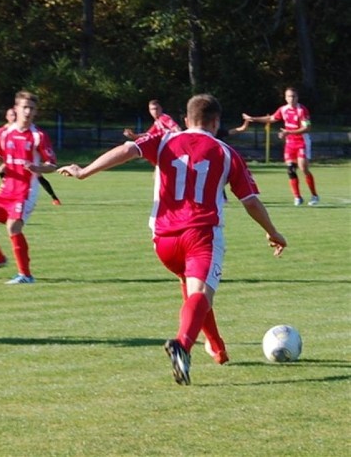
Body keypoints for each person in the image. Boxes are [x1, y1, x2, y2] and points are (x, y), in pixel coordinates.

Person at [58, 94, 286, 385]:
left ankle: (217, 348)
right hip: (201, 236)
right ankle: (182, 344)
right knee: (201, 294)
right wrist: (272, 231)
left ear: (186, 120)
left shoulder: (164, 140)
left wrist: (84, 172)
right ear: (215, 122)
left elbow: (127, 149)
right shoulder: (226, 153)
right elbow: (250, 201)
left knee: (194, 291)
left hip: (163, 241)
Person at [0, 91, 57, 285]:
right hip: (4, 192)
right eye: (24, 107)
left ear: (36, 112)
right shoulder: (4, 133)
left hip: (24, 193)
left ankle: (26, 275)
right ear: (16, 109)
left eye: (32, 108)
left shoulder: (38, 136)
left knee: (13, 226)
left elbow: (52, 164)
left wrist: (38, 167)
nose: (28, 111)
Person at [0, 107, 61, 206]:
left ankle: (54, 197)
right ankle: (10, 190)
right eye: (11, 115)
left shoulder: (27, 130)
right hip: (10, 159)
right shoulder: (4, 131)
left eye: (15, 115)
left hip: (25, 159)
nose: (14, 117)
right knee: (1, 171)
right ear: (7, 117)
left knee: (37, 175)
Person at [242, 87, 319, 206]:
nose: (291, 99)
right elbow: (271, 118)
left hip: (302, 142)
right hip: (290, 143)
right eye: (289, 96)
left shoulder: (302, 110)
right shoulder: (283, 110)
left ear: (297, 97)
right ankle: (297, 197)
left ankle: (314, 195)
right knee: (290, 169)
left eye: (293, 96)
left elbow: (307, 128)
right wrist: (253, 118)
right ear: (285, 97)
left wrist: (288, 132)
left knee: (303, 168)